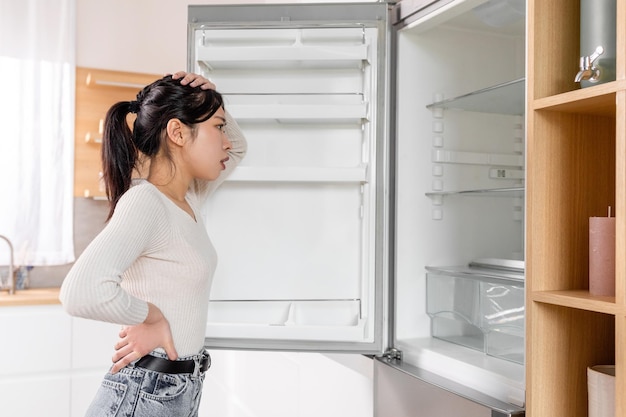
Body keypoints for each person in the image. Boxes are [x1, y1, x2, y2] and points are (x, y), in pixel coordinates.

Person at [59, 71, 246, 417]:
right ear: (176, 132)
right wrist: (152, 317)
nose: (228, 141)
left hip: (174, 390)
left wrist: (210, 94)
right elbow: (79, 292)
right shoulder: (146, 203)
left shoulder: (187, 199)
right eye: (218, 128)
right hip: (146, 392)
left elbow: (238, 150)